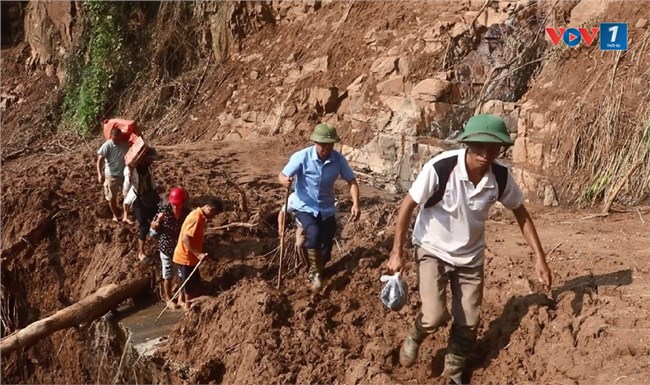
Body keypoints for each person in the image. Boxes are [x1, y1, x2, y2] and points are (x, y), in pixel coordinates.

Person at [386, 114, 553, 384]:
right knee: (434, 315)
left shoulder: (499, 177)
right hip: (432, 248)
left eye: (494, 148)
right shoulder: (441, 168)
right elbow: (407, 205)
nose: (486, 154)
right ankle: (416, 335)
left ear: (501, 149)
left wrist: (540, 258)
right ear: (468, 144)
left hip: (470, 258)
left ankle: (452, 372)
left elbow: (521, 214)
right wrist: (397, 251)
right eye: (480, 147)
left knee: (469, 322)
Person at [278, 123, 361, 292]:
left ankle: (320, 267)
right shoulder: (302, 157)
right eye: (323, 144)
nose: (326, 148)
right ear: (315, 142)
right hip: (304, 207)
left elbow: (351, 181)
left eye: (330, 144)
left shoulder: (338, 160)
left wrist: (356, 204)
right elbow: (282, 175)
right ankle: (314, 274)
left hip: (326, 208)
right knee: (313, 234)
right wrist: (284, 180)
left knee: (326, 246)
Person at [172, 198, 224, 310]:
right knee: (188, 285)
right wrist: (197, 254)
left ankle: (190, 303)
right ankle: (187, 307)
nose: (213, 217)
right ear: (211, 209)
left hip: (191, 258)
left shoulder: (198, 215)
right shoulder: (195, 218)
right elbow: (186, 239)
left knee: (195, 282)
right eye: (214, 214)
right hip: (185, 258)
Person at [149, 187, 190, 309]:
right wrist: (157, 222)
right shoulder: (163, 210)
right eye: (173, 204)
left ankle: (181, 299)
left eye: (178, 204)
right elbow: (153, 226)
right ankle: (168, 298)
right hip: (166, 247)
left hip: (180, 247)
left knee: (181, 274)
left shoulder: (187, 212)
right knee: (168, 274)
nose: (176, 207)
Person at [125, 148, 161, 263]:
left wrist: (156, 190)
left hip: (149, 196)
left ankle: (157, 239)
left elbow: (151, 181)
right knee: (144, 225)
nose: (152, 161)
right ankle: (141, 252)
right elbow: (126, 186)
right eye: (150, 159)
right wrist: (129, 175)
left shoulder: (148, 167)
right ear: (144, 158)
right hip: (138, 199)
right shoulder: (132, 170)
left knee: (158, 218)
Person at [97, 128, 129, 222]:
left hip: (124, 174)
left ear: (120, 137)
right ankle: (115, 215)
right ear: (111, 137)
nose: (116, 141)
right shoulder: (107, 145)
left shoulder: (125, 144)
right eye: (114, 139)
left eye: (117, 139)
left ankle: (125, 215)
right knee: (111, 197)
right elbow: (99, 160)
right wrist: (99, 174)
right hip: (111, 175)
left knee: (127, 195)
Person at [277, 191, 307, 266]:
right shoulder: (294, 196)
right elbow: (283, 212)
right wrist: (281, 228)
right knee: (299, 245)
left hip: (319, 223)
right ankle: (309, 267)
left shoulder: (319, 192)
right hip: (302, 226)